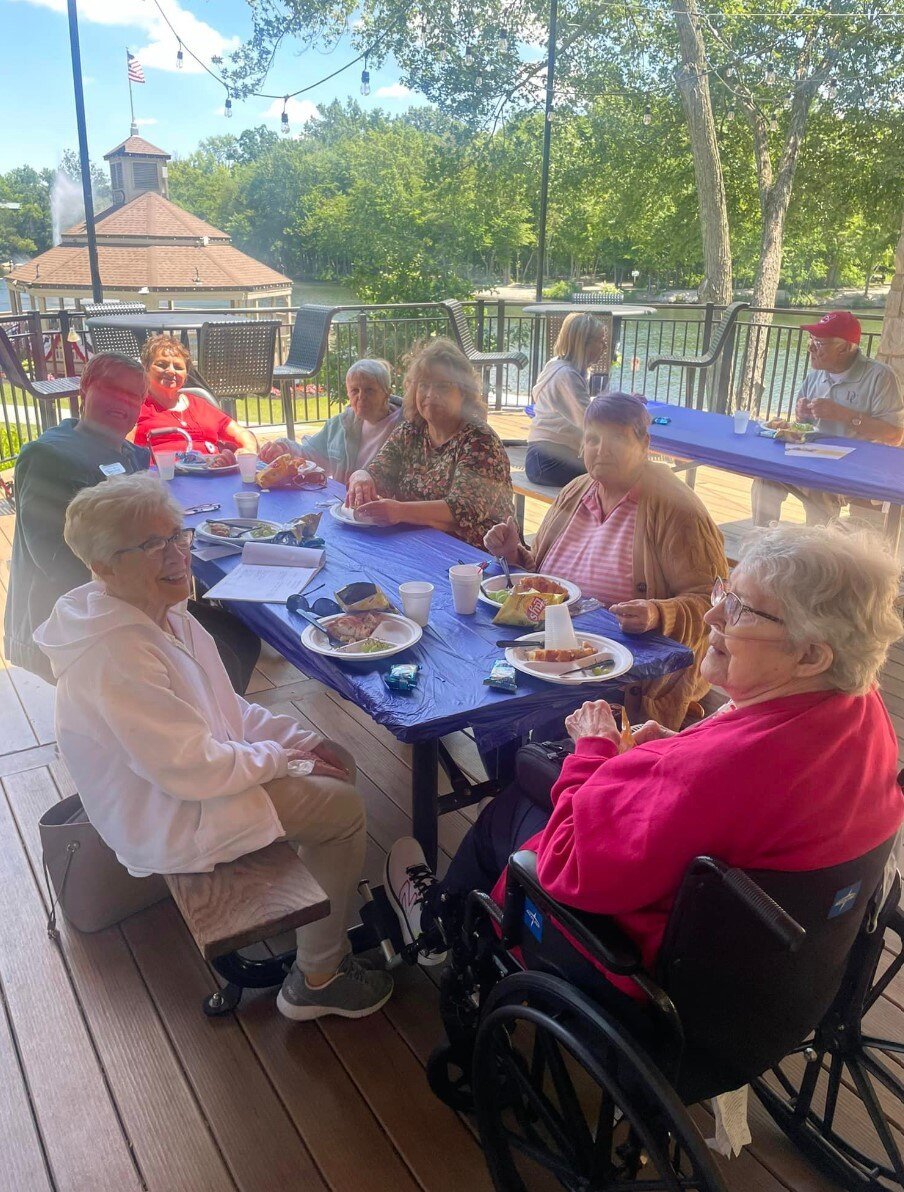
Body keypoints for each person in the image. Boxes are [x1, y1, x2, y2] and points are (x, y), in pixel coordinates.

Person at [385, 524, 904, 998]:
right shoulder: (861, 711)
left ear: (812, 655)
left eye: (743, 610)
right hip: (784, 963)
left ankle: (437, 927)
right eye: (726, 590)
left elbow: (570, 868)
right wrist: (674, 746)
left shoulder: (714, 773)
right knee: (531, 773)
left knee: (512, 803)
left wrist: (594, 751)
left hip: (646, 970)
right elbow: (746, 770)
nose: (711, 615)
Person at [34, 473, 392, 1021]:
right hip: (173, 812)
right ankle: (320, 976)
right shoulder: (117, 655)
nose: (178, 552)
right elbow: (195, 771)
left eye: (177, 534)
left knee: (332, 764)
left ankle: (317, 884)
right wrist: (290, 760)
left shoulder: (159, 612)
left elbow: (229, 710)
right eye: (152, 545)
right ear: (102, 566)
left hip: (187, 783)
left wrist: (305, 740)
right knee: (343, 808)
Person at [2, 351, 260, 693]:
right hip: (75, 615)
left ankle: (209, 727)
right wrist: (153, 606)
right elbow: (57, 562)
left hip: (137, 594)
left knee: (240, 637)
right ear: (85, 389)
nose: (123, 403)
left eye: (133, 396)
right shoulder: (49, 457)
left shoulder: (126, 454)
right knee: (219, 656)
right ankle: (178, 738)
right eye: (112, 390)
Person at [485, 392, 728, 728]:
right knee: (489, 689)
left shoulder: (676, 508)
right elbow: (543, 575)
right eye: (593, 438)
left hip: (625, 676)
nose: (602, 449)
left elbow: (713, 602)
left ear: (644, 444)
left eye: (617, 438)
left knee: (510, 711)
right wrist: (514, 555)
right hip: (550, 652)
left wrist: (657, 613)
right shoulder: (576, 490)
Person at [345, 338, 514, 548]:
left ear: (464, 393)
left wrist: (399, 511)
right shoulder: (411, 431)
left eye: (443, 387)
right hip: (417, 545)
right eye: (424, 385)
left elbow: (461, 510)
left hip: (476, 560)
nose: (431, 395)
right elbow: (378, 471)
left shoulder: (480, 441)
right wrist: (361, 477)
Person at [752, 312, 904, 527]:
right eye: (811, 341)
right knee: (766, 476)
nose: (811, 348)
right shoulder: (816, 374)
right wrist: (801, 414)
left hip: (856, 467)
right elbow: (805, 425)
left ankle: (820, 552)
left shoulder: (880, 376)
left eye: (819, 343)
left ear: (844, 348)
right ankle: (761, 543)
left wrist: (845, 415)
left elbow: (895, 436)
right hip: (813, 457)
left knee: (819, 487)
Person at [260, 359, 403, 483]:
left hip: (385, 509)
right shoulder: (340, 425)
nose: (361, 397)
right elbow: (309, 456)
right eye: (355, 390)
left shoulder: (404, 427)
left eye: (369, 390)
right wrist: (284, 448)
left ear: (387, 393)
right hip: (343, 507)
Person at [133, 335, 258, 462]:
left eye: (178, 367)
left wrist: (248, 449)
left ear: (186, 374)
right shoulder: (136, 407)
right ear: (145, 368)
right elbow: (123, 448)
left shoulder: (200, 405)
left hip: (212, 473)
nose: (171, 371)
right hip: (163, 477)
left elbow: (241, 433)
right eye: (162, 365)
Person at [526, 313, 609, 486]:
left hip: (541, 458)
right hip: (548, 462)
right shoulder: (567, 376)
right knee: (615, 474)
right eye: (600, 341)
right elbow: (591, 421)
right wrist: (622, 411)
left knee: (612, 472)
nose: (605, 346)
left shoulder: (557, 365)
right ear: (583, 343)